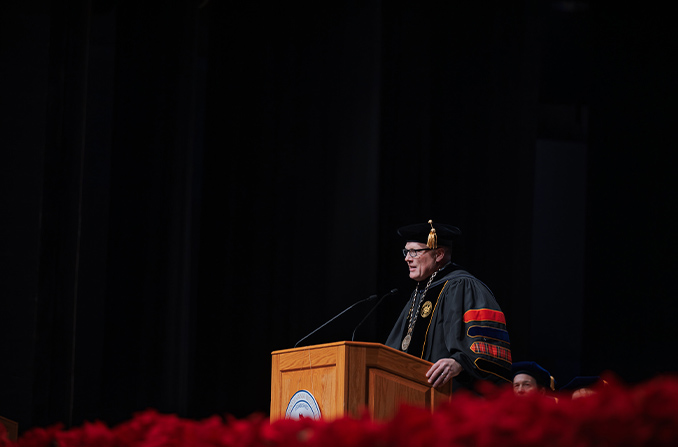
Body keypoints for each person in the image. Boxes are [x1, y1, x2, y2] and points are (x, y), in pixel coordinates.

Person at [385, 220, 512, 391]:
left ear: (438, 254)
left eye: (414, 252)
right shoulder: (419, 294)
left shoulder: (464, 286)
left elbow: (489, 346)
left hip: (452, 397)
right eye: (406, 252)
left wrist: (460, 362)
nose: (407, 258)